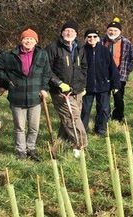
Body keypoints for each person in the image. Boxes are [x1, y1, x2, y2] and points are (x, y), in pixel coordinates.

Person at [0, 28, 51, 161]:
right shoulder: (10, 55)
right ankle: (20, 151)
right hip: (17, 96)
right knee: (20, 127)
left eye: (31, 39)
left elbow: (46, 73)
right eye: (25, 38)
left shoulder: (42, 54)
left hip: (35, 97)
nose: (28, 41)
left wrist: (45, 88)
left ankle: (31, 148)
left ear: (36, 41)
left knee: (34, 127)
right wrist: (6, 79)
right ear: (21, 40)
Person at [46, 20, 88, 155]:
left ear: (76, 34)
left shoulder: (81, 47)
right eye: (66, 30)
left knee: (69, 119)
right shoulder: (53, 47)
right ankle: (80, 146)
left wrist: (83, 85)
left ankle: (59, 145)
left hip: (77, 90)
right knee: (72, 117)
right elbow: (47, 70)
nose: (69, 33)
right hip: (60, 92)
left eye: (72, 31)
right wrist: (59, 84)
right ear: (62, 32)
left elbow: (84, 67)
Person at [81, 29, 120, 136]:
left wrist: (115, 84)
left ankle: (101, 130)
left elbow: (112, 67)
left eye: (94, 36)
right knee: (85, 109)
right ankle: (83, 130)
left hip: (103, 85)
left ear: (98, 38)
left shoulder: (104, 50)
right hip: (87, 86)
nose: (92, 39)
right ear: (85, 38)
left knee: (103, 109)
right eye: (89, 37)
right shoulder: (81, 51)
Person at [101, 17, 133, 122]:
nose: (112, 32)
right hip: (104, 75)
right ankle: (104, 117)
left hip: (120, 76)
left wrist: (127, 70)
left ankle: (118, 117)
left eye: (115, 30)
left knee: (118, 98)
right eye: (110, 30)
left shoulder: (126, 42)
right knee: (104, 98)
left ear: (119, 31)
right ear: (107, 31)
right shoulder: (101, 41)